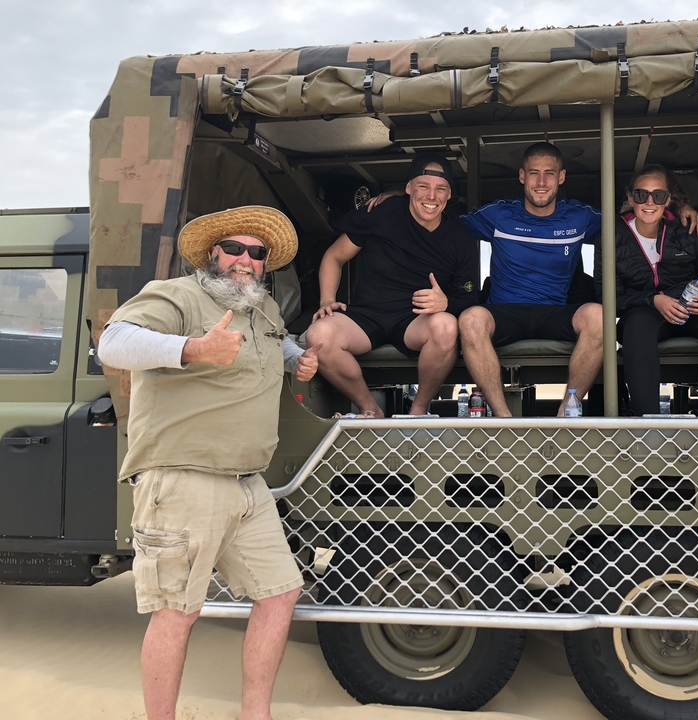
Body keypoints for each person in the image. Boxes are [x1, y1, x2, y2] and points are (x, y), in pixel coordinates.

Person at [97, 206, 317, 720]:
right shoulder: (176, 295)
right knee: (177, 612)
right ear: (212, 254)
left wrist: (296, 358)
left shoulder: (263, 308)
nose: (245, 260)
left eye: (256, 253)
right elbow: (114, 342)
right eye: (234, 249)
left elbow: (275, 343)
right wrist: (195, 348)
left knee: (281, 593)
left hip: (249, 485)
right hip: (182, 478)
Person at [456, 142, 698, 417]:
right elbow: (446, 226)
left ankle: (566, 414)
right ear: (522, 176)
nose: (541, 182)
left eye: (550, 173)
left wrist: (681, 208)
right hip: (505, 311)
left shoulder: (579, 216)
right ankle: (504, 419)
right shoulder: (498, 214)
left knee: (599, 316)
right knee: (470, 319)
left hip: (555, 312)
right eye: (534, 173)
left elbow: (638, 217)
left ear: (561, 177)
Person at [304, 154, 480, 417]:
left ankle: (418, 410)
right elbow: (334, 257)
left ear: (449, 194)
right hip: (367, 315)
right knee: (319, 335)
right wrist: (327, 300)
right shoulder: (383, 212)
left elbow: (470, 297)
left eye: (440, 189)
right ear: (409, 188)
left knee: (446, 327)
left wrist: (446, 303)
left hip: (416, 320)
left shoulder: (460, 237)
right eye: (423, 186)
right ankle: (369, 409)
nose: (431, 196)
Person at [596, 165, 698, 416]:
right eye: (641, 194)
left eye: (658, 196)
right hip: (645, 314)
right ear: (631, 198)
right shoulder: (612, 235)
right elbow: (608, 298)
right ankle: (648, 422)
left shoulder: (690, 228)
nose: (650, 202)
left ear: (668, 200)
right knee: (636, 325)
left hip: (693, 311)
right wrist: (654, 300)